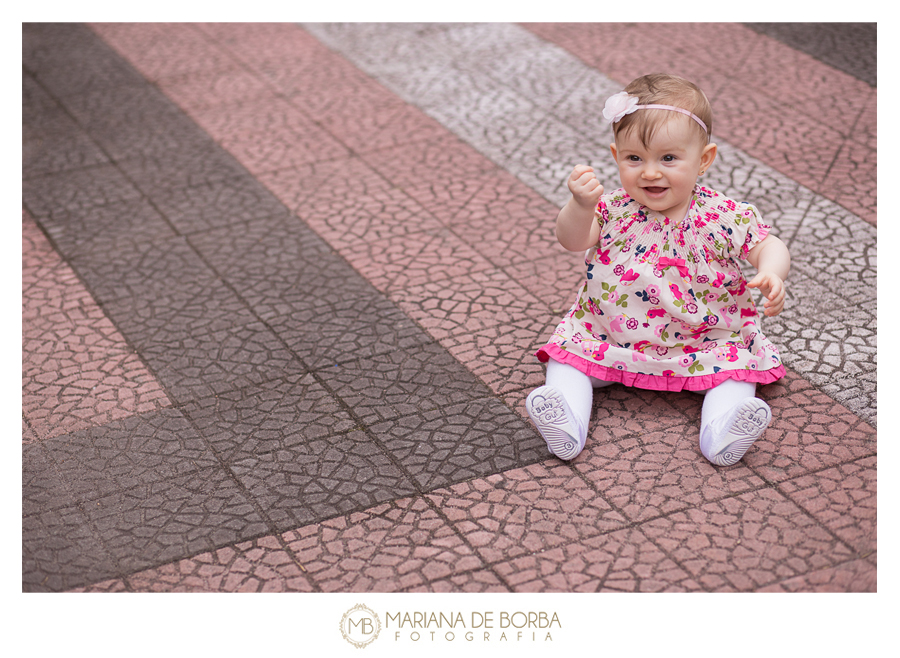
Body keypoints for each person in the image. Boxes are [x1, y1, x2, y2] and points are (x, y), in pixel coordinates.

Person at [527, 73, 790, 466]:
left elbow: (767, 244)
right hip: (609, 336)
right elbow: (573, 239)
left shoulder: (722, 215)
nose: (650, 172)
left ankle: (723, 431)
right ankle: (566, 422)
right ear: (616, 157)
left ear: (703, 160)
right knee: (568, 357)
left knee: (736, 371)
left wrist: (772, 272)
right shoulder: (612, 208)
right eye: (635, 159)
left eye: (668, 158)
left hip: (706, 340)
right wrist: (580, 206)